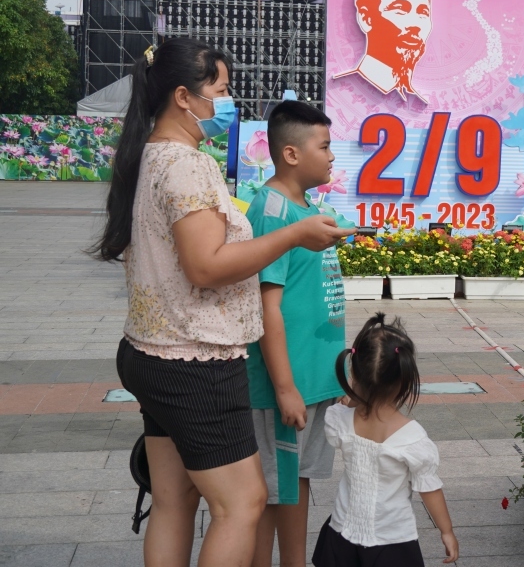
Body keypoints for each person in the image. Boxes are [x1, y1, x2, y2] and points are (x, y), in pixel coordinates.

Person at [93, 37, 354, 567]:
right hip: (195, 360)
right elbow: (206, 267)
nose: (229, 103)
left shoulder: (154, 155)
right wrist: (293, 235)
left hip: (152, 352)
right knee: (243, 503)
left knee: (174, 500)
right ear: (184, 97)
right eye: (223, 90)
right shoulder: (188, 166)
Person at [247, 101, 351, 567]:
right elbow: (267, 306)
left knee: (292, 483)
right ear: (291, 154)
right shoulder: (272, 211)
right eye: (324, 146)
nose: (332, 155)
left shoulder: (308, 209)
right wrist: (286, 387)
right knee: (277, 491)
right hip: (284, 386)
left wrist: (340, 374)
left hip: (311, 380)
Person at [314, 315, 459, 566]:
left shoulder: (339, 420)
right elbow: (429, 489)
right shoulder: (412, 439)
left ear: (355, 374)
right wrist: (446, 531)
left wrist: (352, 399)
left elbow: (345, 406)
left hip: (341, 531)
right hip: (391, 539)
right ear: (404, 379)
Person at [334, 0, 433, 102]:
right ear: (366, 18)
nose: (415, 24)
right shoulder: (340, 91)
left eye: (423, 12)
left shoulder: (419, 105)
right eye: (400, 9)